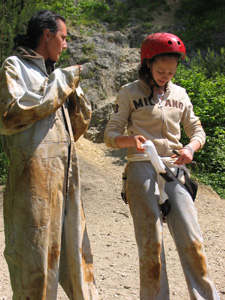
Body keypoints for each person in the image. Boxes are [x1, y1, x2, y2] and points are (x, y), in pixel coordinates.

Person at [104, 32, 220, 299]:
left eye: (171, 71)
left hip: (174, 169)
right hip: (140, 166)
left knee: (192, 240)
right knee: (150, 244)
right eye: (160, 70)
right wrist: (128, 139)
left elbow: (197, 130)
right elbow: (109, 136)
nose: (165, 76)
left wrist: (191, 148)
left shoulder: (180, 94)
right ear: (147, 63)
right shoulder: (129, 92)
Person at [0, 10, 98, 300]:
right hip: (33, 183)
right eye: (63, 37)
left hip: (66, 181)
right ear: (47, 34)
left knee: (77, 259)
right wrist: (62, 81)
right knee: (36, 263)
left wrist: (72, 91)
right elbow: (11, 115)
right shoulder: (14, 66)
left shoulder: (53, 74)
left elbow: (76, 129)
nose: (65, 45)